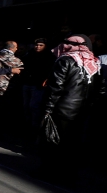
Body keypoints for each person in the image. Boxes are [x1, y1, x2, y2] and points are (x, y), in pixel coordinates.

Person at [41, 35, 100, 182]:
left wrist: (47, 109)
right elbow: (99, 89)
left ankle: (48, 173)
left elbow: (55, 87)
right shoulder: (94, 62)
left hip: (62, 109)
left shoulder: (65, 60)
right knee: (73, 144)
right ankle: (69, 176)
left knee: (54, 142)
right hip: (82, 111)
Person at [21, 38, 55, 137]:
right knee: (26, 106)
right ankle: (28, 126)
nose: (38, 47)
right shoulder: (29, 54)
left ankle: (34, 128)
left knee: (34, 106)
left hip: (39, 85)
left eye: (41, 45)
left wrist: (46, 79)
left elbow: (50, 71)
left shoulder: (49, 57)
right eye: (36, 45)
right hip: (27, 83)